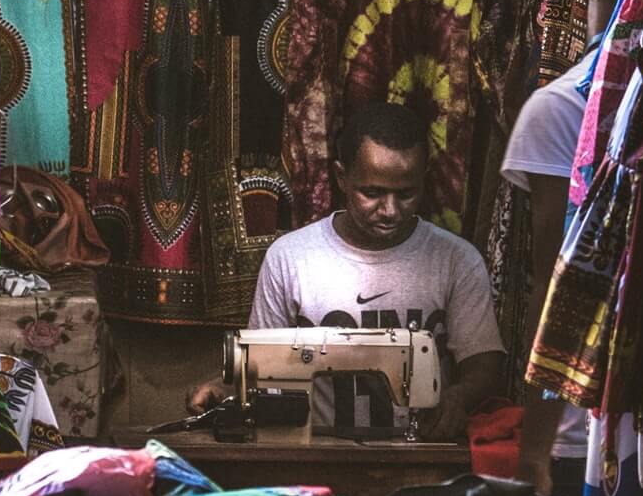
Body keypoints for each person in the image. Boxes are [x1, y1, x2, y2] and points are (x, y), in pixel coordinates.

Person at [187, 102, 504, 441]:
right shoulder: (291, 258)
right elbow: (261, 363)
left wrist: (456, 397)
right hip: (316, 454)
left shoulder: (456, 260)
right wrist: (222, 389)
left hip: (421, 453)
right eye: (372, 193)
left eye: (407, 194)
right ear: (341, 177)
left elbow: (483, 363)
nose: (390, 211)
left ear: (424, 180)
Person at [502, 0, 632, 496]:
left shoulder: (558, 106)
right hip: (597, 414)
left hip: (600, 413)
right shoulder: (563, 107)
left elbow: (549, 284)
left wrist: (534, 449)